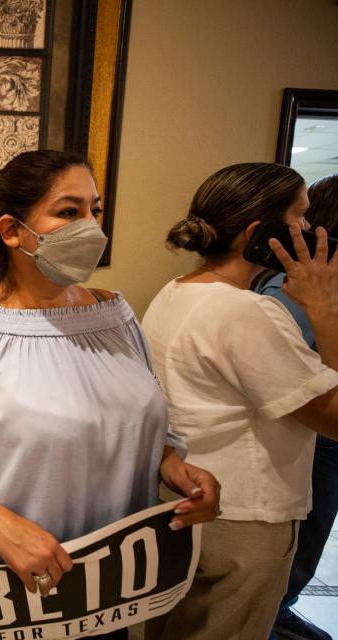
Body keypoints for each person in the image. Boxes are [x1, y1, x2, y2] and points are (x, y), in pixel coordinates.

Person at [0, 150, 220, 640]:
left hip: (103, 587)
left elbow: (141, 421)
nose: (91, 227)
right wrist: (0, 524)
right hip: (2, 586)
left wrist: (170, 463)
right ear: (11, 230)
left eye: (94, 210)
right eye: (69, 212)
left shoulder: (117, 317)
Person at [142, 163, 338, 640]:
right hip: (245, 520)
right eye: (302, 218)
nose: (313, 232)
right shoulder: (248, 313)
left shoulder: (178, 291)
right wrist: (325, 307)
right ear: (258, 232)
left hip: (187, 502)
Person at [253, 173, 338, 640]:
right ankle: (275, 614)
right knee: (302, 543)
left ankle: (281, 608)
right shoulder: (285, 298)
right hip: (315, 438)